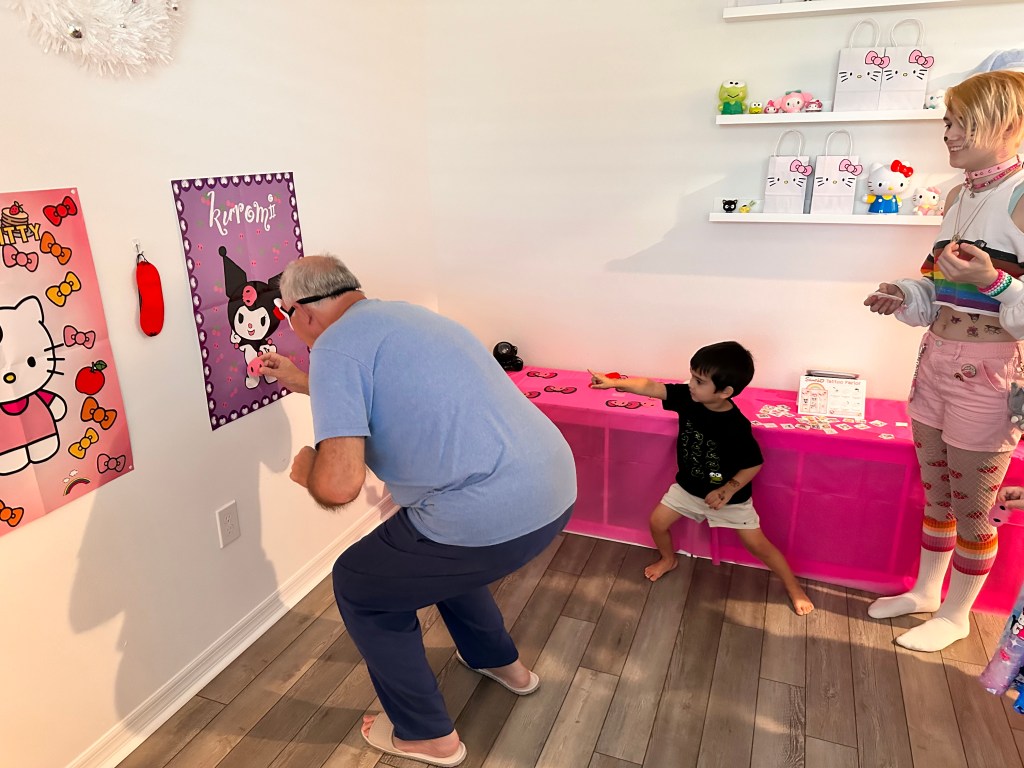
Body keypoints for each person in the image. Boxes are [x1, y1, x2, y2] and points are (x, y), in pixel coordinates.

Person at [258, 255, 576, 766]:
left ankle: (428, 735)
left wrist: (308, 470)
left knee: (359, 583)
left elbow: (339, 485)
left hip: (489, 513)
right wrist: (304, 380)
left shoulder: (334, 347)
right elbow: (392, 389)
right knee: (433, 555)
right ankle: (503, 665)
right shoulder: (410, 317)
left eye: (284, 314)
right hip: (553, 490)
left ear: (303, 312)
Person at [864, 70, 1024, 652]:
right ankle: (927, 592)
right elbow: (940, 291)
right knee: (937, 496)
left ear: (1005, 123)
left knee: (973, 507)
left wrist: (995, 281)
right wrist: (905, 295)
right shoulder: (958, 197)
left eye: (960, 123)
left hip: (990, 373)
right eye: (948, 123)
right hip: (935, 360)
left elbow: (1003, 297)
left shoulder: (1020, 196)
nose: (949, 135)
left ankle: (957, 615)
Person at [589, 341, 814, 615]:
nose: (691, 384)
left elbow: (753, 464)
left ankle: (793, 587)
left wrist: (727, 490)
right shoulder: (688, 397)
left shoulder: (736, 426)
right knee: (657, 522)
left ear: (725, 392)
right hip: (688, 489)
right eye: (692, 376)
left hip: (730, 499)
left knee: (758, 545)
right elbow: (651, 386)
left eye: (699, 381)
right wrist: (615, 383)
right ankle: (668, 559)